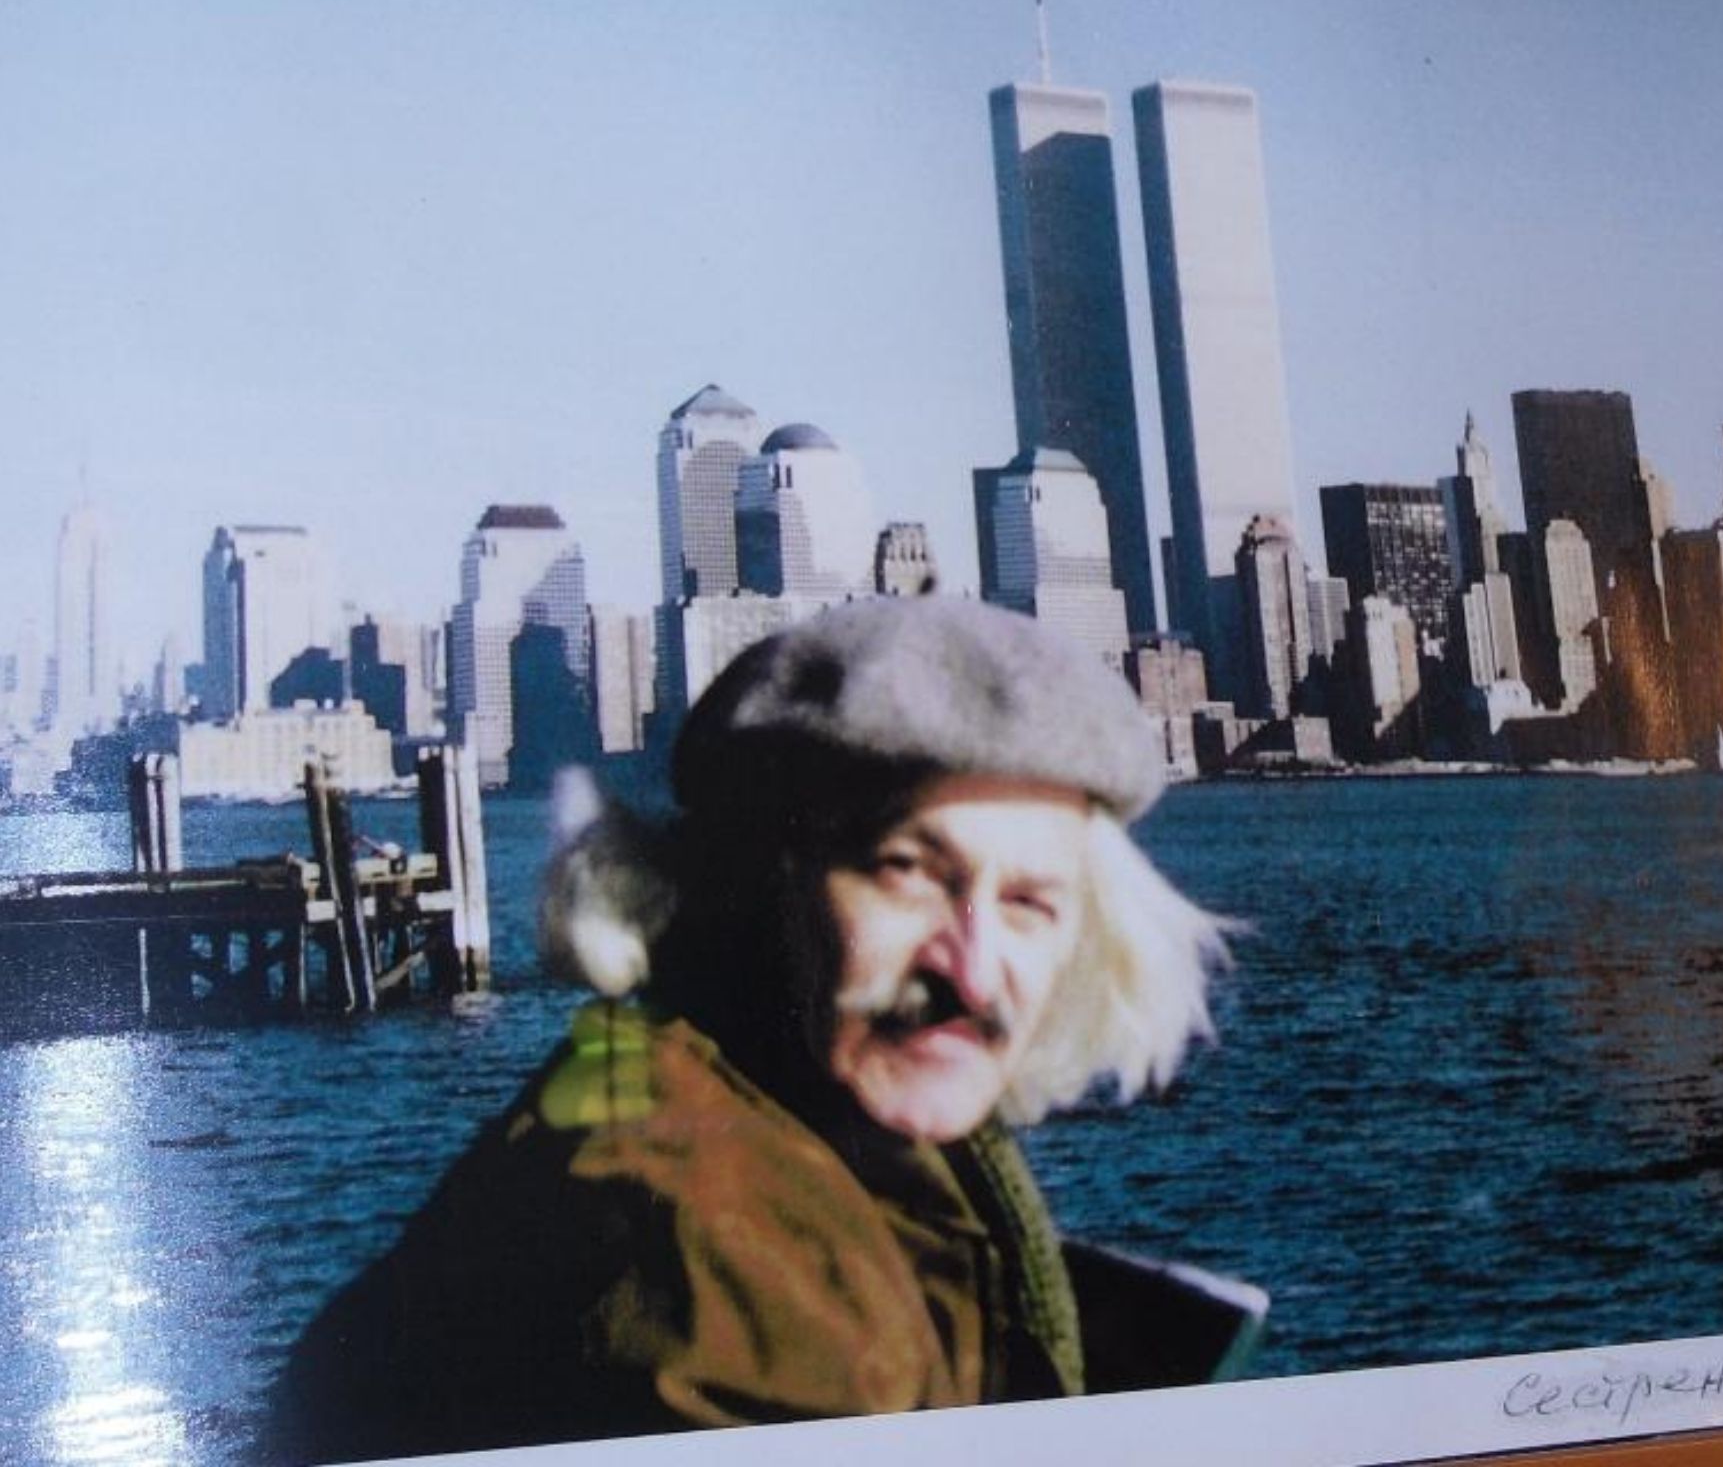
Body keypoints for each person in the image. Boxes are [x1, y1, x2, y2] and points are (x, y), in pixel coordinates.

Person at [262, 598, 1248, 1463]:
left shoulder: (800, 1132)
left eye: (1031, 900)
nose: (973, 967)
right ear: (742, 884)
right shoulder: (697, 1249)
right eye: (905, 869)